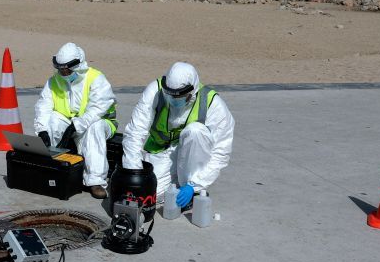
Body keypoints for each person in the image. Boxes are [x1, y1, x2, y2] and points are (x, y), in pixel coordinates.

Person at [121, 61, 234, 211]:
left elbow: (221, 152)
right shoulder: (155, 91)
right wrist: (135, 174)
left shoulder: (212, 103)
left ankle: (190, 186)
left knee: (195, 131)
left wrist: (194, 185)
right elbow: (135, 132)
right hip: (161, 151)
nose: (173, 100)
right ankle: (175, 181)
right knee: (152, 194)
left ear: (191, 92)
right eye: (169, 95)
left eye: (179, 96)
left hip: (192, 153)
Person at [34, 42, 118, 199]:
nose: (63, 72)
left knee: (95, 128)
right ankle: (52, 169)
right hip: (68, 121)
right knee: (52, 120)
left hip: (97, 122)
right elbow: (43, 106)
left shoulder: (96, 79)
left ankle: (95, 181)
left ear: (77, 65)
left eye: (66, 69)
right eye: (60, 68)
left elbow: (98, 110)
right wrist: (42, 130)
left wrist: (77, 125)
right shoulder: (54, 81)